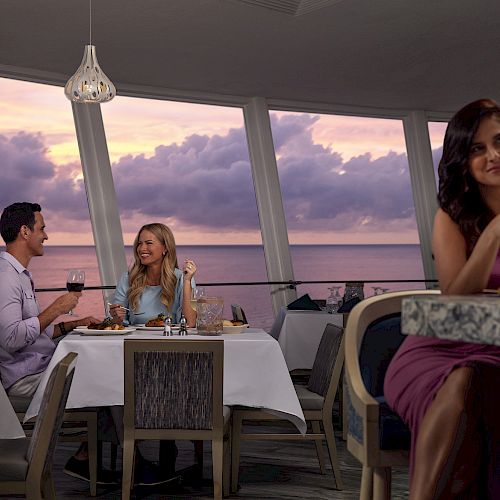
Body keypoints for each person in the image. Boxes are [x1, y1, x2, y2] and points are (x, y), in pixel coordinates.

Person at [384, 99, 500, 499]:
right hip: (438, 349)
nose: (494, 156)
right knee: (464, 381)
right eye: (478, 148)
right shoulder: (450, 215)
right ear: (461, 159)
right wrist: (494, 233)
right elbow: (455, 294)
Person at [0, 202, 111, 483]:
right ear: (25, 231)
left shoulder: (20, 275)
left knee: (106, 375)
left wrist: (73, 323)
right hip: (24, 378)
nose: (46, 235)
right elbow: (11, 338)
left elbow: (32, 334)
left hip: (36, 365)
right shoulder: (5, 278)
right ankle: (88, 459)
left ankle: (90, 457)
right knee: (107, 381)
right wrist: (56, 308)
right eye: (42, 228)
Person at [109, 222, 197, 326]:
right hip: (136, 341)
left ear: (165, 248)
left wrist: (187, 281)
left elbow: (190, 323)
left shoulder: (183, 278)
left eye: (149, 243)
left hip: (170, 340)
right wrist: (116, 318)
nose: (141, 249)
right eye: (139, 243)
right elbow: (116, 322)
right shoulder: (127, 278)